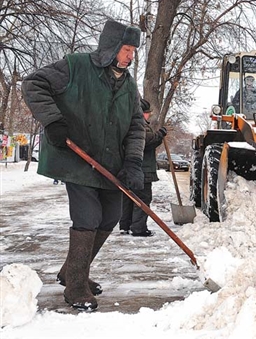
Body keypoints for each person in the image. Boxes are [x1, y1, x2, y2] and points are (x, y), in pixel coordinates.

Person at [21, 19, 145, 311]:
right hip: (78, 159)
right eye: (127, 49)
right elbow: (33, 83)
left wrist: (133, 161)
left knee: (111, 215)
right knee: (87, 216)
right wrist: (52, 120)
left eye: (133, 50)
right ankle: (76, 285)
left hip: (110, 164)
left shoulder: (128, 85)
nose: (131, 55)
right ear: (111, 47)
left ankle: (72, 271)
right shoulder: (76, 66)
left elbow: (136, 126)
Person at [119, 99, 167, 237]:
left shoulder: (125, 122)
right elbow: (146, 141)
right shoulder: (138, 125)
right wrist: (160, 135)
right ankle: (138, 228)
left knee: (128, 197)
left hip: (128, 168)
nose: (149, 115)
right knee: (142, 198)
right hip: (142, 169)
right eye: (147, 113)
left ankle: (125, 226)